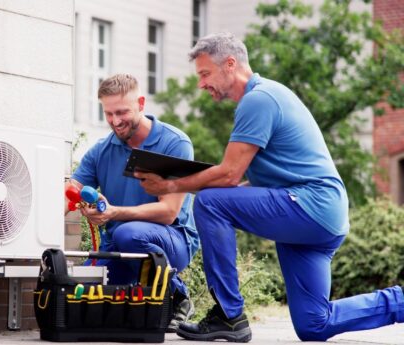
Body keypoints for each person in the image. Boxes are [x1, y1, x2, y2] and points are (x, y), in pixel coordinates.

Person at [136, 31, 404, 343]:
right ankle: (399, 302)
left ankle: (228, 314)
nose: (201, 84)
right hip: (316, 216)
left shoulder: (258, 100)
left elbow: (229, 176)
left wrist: (171, 185)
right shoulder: (265, 97)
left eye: (205, 74)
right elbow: (243, 182)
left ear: (231, 64)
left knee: (209, 202)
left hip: (310, 205)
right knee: (314, 324)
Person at [65, 73, 200, 332]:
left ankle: (177, 294)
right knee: (78, 297)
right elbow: (71, 189)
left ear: (140, 103)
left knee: (129, 232)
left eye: (122, 112)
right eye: (108, 113)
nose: (115, 121)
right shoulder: (102, 150)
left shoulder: (174, 143)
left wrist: (113, 213)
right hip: (117, 245)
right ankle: (147, 302)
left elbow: (169, 212)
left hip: (171, 241)